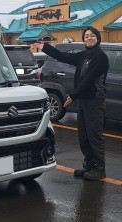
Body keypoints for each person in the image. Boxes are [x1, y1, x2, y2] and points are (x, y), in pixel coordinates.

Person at [34, 27, 109, 181]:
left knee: (94, 135)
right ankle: (89, 165)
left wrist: (73, 96)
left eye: (92, 36)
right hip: (84, 100)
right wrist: (46, 48)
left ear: (98, 38)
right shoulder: (84, 55)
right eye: (86, 36)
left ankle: (99, 168)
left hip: (95, 100)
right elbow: (63, 56)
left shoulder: (100, 57)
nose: (89, 38)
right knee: (84, 135)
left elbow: (89, 79)